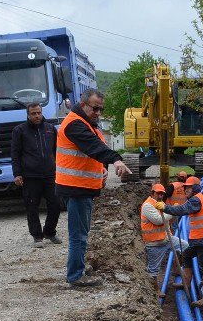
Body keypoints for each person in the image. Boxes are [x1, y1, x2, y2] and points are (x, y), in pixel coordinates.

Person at [55, 88, 132, 287]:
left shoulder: (87, 123)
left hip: (81, 187)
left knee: (81, 232)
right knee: (78, 235)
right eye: (95, 109)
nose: (98, 113)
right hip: (75, 188)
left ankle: (77, 267)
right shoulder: (75, 125)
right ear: (83, 105)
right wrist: (115, 160)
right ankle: (75, 276)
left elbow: (94, 152)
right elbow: (93, 147)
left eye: (101, 110)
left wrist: (102, 168)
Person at [155, 176, 203, 306]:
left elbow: (182, 210)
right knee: (186, 254)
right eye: (184, 188)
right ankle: (187, 282)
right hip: (200, 240)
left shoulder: (196, 200)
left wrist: (166, 207)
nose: (185, 190)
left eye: (188, 188)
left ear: (195, 188)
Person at [11, 102, 61, 248]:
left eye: (38, 112)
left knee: (56, 204)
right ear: (28, 115)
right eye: (33, 113)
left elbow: (56, 151)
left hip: (50, 175)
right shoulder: (19, 131)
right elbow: (15, 154)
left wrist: (59, 168)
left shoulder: (50, 129)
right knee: (32, 207)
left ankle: (50, 232)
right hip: (30, 176)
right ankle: (37, 237)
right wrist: (17, 173)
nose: (37, 115)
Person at [140, 183, 188, 298]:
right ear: (153, 193)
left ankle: (177, 269)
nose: (160, 196)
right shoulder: (147, 205)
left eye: (162, 194)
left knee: (185, 246)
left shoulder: (160, 204)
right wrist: (173, 211)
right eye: (158, 193)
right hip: (154, 243)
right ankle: (156, 290)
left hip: (166, 239)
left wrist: (170, 209)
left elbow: (166, 217)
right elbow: (158, 220)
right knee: (153, 269)